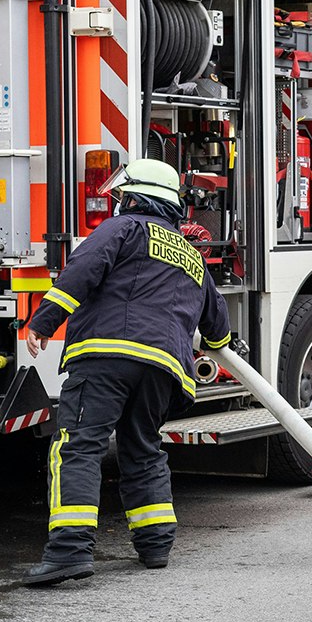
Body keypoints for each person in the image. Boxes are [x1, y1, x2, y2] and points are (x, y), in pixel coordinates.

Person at [20, 158, 233, 587]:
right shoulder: (191, 255)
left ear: (135, 197)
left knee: (79, 446)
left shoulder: (123, 228)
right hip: (165, 369)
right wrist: (219, 345)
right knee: (143, 447)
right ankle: (155, 544)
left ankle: (69, 552)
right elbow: (218, 326)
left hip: (106, 355)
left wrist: (42, 322)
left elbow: (80, 273)